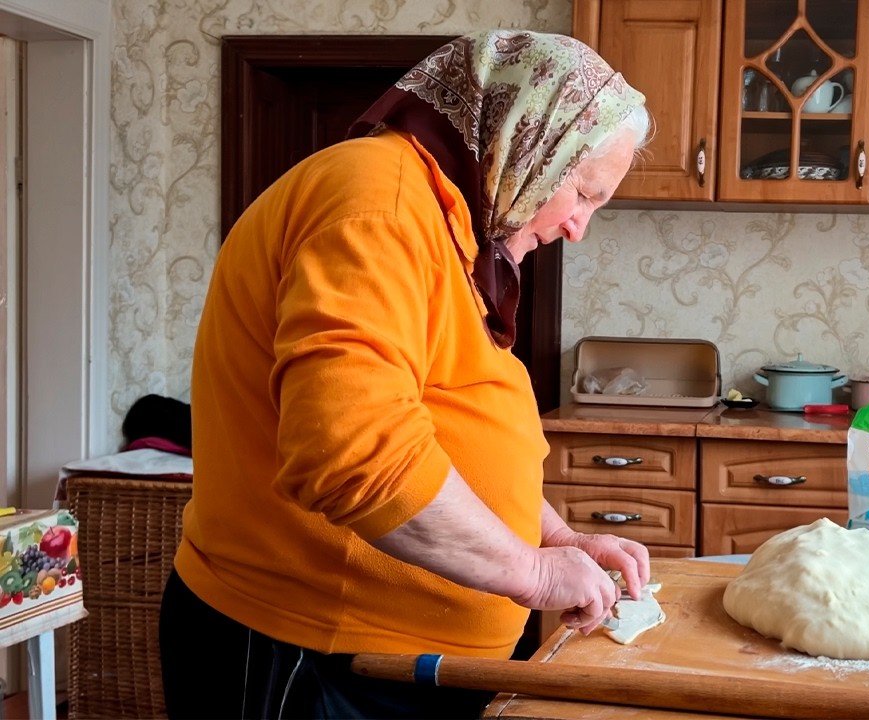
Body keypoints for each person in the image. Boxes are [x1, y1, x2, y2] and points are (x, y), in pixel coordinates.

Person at [158, 29, 652, 719]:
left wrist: (552, 538)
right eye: (585, 192)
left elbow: (437, 425)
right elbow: (353, 452)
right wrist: (531, 571)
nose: (578, 227)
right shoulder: (378, 206)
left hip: (382, 659)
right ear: (532, 140)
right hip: (311, 656)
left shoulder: (446, 219)